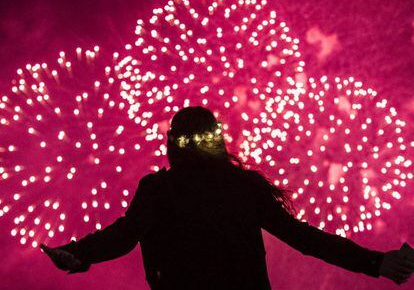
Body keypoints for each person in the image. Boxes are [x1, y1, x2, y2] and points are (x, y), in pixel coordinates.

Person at [41, 106, 414, 289]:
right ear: (218, 141)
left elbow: (122, 236)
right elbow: (305, 239)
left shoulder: (158, 189)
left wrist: (79, 253)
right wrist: (375, 262)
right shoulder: (243, 186)